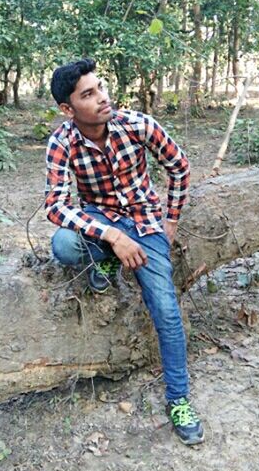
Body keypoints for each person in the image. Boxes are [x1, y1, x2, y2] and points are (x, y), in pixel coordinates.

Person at [44, 58, 204, 446]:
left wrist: (171, 222)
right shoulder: (62, 141)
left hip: (146, 221)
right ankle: (104, 259)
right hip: (102, 219)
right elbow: (55, 205)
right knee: (64, 244)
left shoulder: (136, 124)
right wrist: (112, 237)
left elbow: (179, 167)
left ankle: (179, 399)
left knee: (165, 309)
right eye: (89, 94)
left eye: (101, 87)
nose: (103, 98)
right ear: (68, 109)